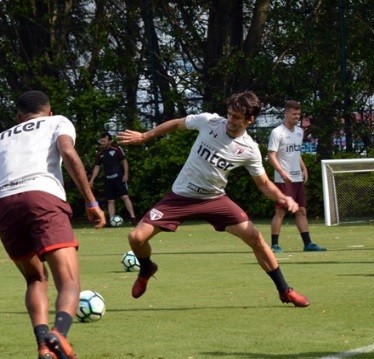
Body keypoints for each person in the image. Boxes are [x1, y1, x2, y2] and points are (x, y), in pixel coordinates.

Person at [0, 90, 106, 359]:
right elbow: (68, 152)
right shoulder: (57, 122)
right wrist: (91, 201)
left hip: (4, 206)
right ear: (49, 111)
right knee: (70, 282)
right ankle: (59, 335)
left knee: (35, 278)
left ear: (18, 116)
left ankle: (43, 346)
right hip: (42, 198)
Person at [117, 91, 310, 307]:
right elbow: (178, 124)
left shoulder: (250, 149)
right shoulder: (209, 121)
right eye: (230, 114)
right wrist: (144, 136)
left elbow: (264, 184)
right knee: (135, 238)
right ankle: (146, 269)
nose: (231, 120)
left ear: (250, 119)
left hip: (214, 200)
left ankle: (285, 290)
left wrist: (284, 197)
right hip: (181, 196)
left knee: (255, 238)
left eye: (237, 117)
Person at [267, 100, 326, 253]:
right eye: (294, 113)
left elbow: (296, 153)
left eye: (299, 114)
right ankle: (274, 245)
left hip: (297, 178)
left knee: (301, 211)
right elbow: (271, 155)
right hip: (283, 180)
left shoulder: (299, 132)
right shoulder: (277, 132)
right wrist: (281, 172)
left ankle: (308, 244)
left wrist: (303, 168)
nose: (297, 116)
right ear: (285, 113)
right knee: (281, 211)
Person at [88, 132, 138, 225]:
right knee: (110, 201)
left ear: (110, 141)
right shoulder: (99, 153)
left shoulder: (117, 149)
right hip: (108, 179)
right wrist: (92, 179)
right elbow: (97, 166)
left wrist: (126, 174)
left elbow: (124, 161)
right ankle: (111, 220)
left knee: (125, 197)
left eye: (104, 141)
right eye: (101, 141)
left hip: (119, 177)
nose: (102, 143)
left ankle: (133, 217)